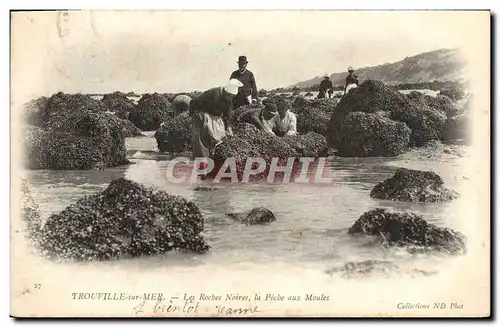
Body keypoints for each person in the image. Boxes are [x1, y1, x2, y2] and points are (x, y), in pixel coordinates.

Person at [189, 79, 243, 159]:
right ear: (225, 92)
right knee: (202, 142)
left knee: (218, 139)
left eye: (232, 97)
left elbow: (227, 114)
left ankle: (212, 159)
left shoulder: (229, 100)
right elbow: (193, 102)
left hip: (216, 117)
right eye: (229, 96)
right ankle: (202, 162)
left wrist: (228, 127)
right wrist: (195, 116)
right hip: (202, 114)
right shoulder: (212, 93)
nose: (230, 99)